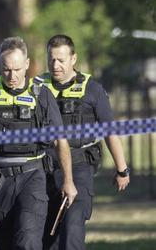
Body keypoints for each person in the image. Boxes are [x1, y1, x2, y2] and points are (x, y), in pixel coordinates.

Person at [0, 36, 77, 250]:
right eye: (6, 69)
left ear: (27, 64)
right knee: (4, 244)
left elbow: (60, 141)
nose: (12, 75)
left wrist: (68, 181)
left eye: (17, 69)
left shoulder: (42, 95)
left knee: (28, 241)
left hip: (32, 176)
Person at [41, 34, 129, 250]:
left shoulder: (93, 89)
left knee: (72, 231)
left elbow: (110, 131)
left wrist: (122, 169)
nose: (56, 65)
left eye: (61, 60)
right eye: (51, 59)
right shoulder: (37, 87)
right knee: (46, 237)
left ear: (73, 59)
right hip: (44, 167)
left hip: (80, 165)